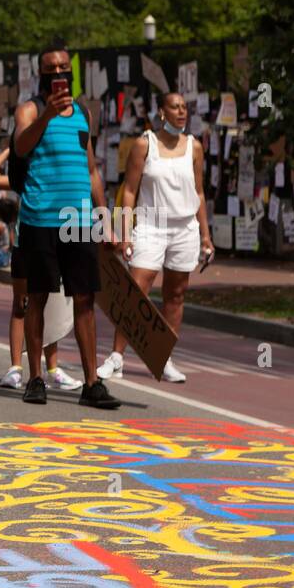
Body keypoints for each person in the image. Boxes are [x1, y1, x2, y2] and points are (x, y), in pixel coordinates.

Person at [13, 45, 119, 408]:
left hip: (80, 220)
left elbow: (91, 169)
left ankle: (92, 384)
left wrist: (105, 218)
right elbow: (21, 148)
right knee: (37, 296)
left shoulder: (84, 113)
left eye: (63, 66)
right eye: (50, 68)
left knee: (85, 298)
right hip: (39, 217)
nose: (58, 72)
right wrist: (46, 116)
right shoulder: (29, 109)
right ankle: (36, 378)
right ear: (40, 73)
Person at [97, 92, 211, 385]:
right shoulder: (143, 144)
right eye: (175, 107)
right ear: (161, 112)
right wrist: (123, 233)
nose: (181, 112)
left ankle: (163, 358)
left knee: (175, 295)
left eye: (184, 107)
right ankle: (117, 357)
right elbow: (130, 191)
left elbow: (199, 192)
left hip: (185, 228)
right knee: (136, 290)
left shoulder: (194, 147)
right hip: (151, 224)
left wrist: (205, 236)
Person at [0, 147, 83, 391]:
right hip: (24, 246)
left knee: (51, 308)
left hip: (55, 246)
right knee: (21, 305)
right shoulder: (24, 179)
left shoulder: (60, 179)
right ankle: (15, 368)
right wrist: (10, 149)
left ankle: (53, 369)